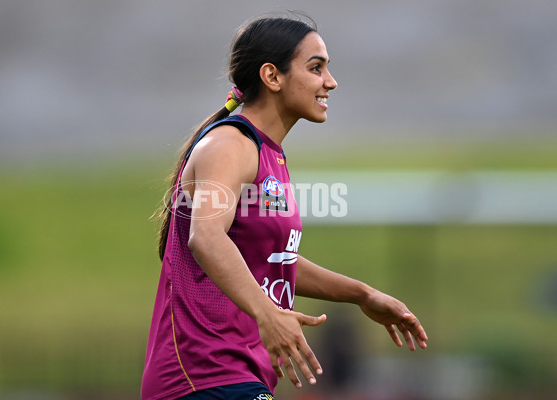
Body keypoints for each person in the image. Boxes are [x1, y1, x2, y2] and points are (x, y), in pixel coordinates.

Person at [141, 13, 428, 400]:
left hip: (238, 376)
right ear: (272, 77)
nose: (330, 81)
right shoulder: (229, 145)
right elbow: (206, 237)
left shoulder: (268, 155)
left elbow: (276, 259)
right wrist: (269, 313)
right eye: (316, 67)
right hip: (201, 377)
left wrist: (362, 294)